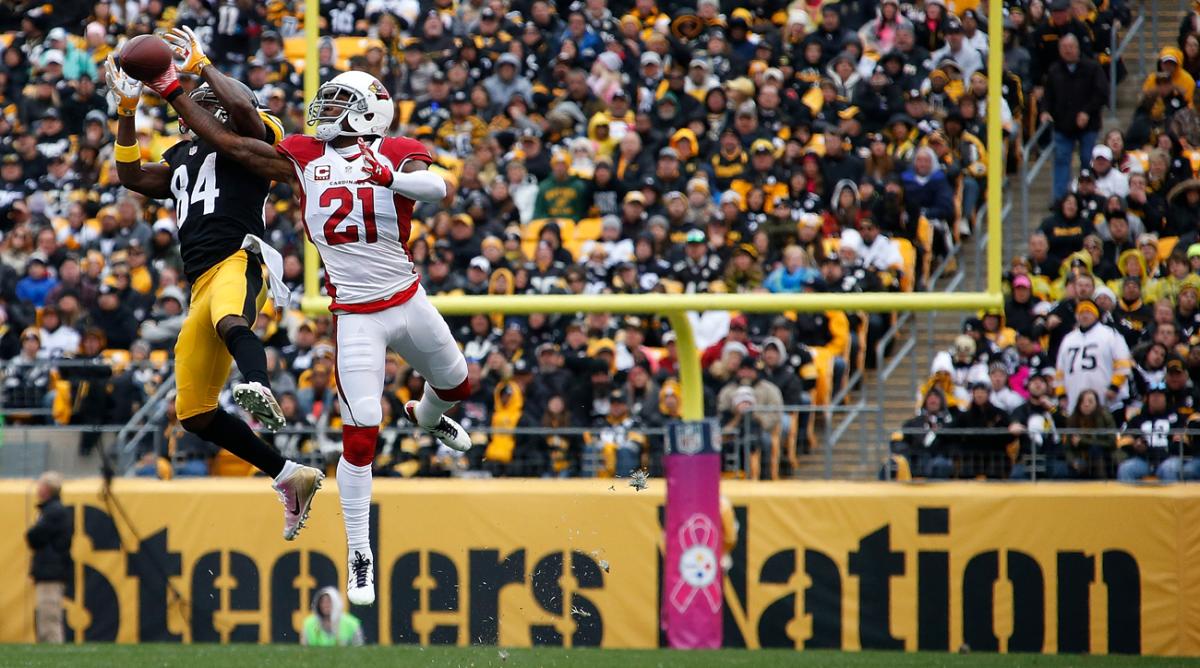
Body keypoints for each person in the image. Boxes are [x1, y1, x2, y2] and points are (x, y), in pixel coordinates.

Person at [151, 42, 473, 606]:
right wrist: (175, 89)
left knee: (457, 386)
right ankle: (359, 552)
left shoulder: (396, 150)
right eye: (326, 101)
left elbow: (439, 188)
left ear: (371, 110)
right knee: (360, 434)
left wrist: (385, 175)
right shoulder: (302, 153)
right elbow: (230, 140)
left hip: (407, 297)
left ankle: (425, 415)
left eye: (340, 103)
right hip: (355, 316)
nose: (325, 112)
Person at [108, 38, 324, 542]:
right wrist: (124, 111)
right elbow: (131, 175)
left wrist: (198, 71)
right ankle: (289, 475)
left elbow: (242, 115)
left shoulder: (253, 135)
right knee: (195, 413)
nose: (192, 109)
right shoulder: (183, 154)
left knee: (232, 319)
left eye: (206, 100)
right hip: (198, 280)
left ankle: (260, 383)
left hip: (239, 256)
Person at [1040, 34, 1109, 200]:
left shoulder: (1092, 67)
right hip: (1062, 125)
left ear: (1077, 48)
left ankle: (1088, 195)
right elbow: (1047, 95)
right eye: (1064, 48)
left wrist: (1087, 111)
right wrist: (1044, 111)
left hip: (1089, 125)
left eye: (1071, 47)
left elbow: (1101, 93)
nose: (1068, 51)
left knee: (1087, 159)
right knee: (1061, 160)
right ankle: (1061, 199)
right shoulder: (1054, 70)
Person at [26, 471, 72, 644]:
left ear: (47, 489)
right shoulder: (53, 510)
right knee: (46, 616)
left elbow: (34, 535)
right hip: (51, 570)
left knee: (49, 617)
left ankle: (53, 652)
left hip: (51, 571)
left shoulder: (53, 512)